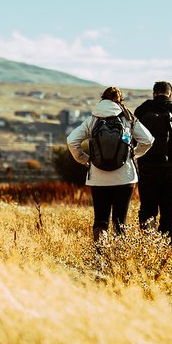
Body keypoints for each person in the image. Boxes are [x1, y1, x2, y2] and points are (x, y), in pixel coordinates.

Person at [67, 86, 154, 243]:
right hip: (125, 177)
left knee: (101, 220)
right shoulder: (128, 118)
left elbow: (72, 140)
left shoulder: (93, 119)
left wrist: (84, 159)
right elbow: (148, 140)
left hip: (98, 178)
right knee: (120, 221)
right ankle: (118, 254)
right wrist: (133, 154)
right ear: (120, 100)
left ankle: (101, 252)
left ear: (102, 98)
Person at [134, 80, 172, 239]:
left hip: (146, 166)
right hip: (171, 167)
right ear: (170, 94)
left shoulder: (142, 109)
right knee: (170, 211)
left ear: (154, 93)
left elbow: (132, 136)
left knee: (147, 210)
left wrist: (135, 157)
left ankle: (148, 244)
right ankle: (167, 246)